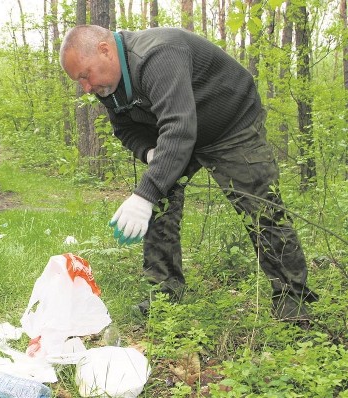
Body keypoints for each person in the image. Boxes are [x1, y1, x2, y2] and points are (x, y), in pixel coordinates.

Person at [59, 24, 318, 323]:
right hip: (175, 133)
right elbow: (125, 129)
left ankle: (294, 302)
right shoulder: (110, 84)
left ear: (105, 51)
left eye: (84, 75)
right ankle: (165, 293)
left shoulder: (157, 54)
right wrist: (150, 154)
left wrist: (143, 195)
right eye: (79, 81)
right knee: (159, 203)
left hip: (231, 124)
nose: (86, 88)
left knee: (260, 207)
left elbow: (180, 127)